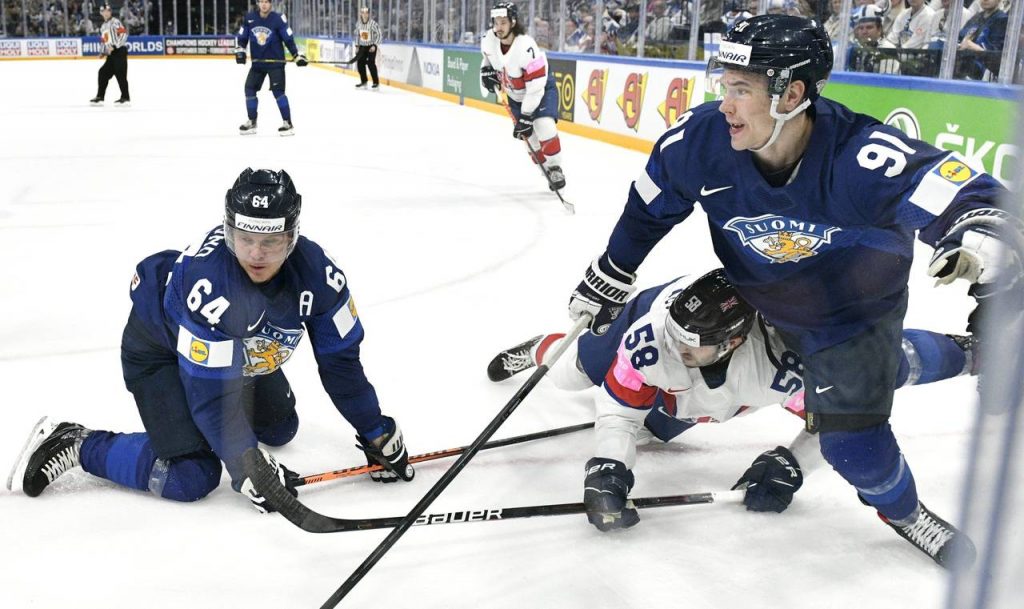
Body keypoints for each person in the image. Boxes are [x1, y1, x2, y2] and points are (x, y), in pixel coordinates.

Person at [563, 14, 1019, 568]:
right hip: (750, 294)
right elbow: (650, 205)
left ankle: (905, 513)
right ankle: (969, 354)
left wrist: (983, 229)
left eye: (741, 89)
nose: (725, 105)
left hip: (846, 321)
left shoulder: (861, 157)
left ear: (792, 94)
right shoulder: (703, 139)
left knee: (854, 449)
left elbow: (968, 195)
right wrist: (613, 270)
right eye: (723, 85)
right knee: (603, 352)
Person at [9, 168, 415, 513]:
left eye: (270, 241)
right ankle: (77, 443)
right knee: (190, 476)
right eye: (245, 238)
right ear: (228, 230)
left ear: (292, 237)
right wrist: (246, 465)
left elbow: (341, 363)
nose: (256, 254)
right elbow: (211, 397)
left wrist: (375, 430)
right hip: (162, 353)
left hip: (237, 357)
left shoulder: (320, 276)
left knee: (280, 428)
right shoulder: (209, 287)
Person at [491, 269, 979, 532]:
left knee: (656, 431)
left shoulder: (782, 361)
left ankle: (976, 354)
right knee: (573, 373)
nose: (677, 350)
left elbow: (836, 420)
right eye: (676, 340)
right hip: (643, 313)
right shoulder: (652, 342)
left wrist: (792, 461)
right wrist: (607, 467)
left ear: (733, 341)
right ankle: (540, 348)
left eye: (691, 347)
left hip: (711, 394)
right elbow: (618, 409)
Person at [480, 2, 567, 191]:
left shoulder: (526, 47)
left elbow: (536, 88)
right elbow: (487, 58)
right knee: (530, 140)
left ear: (513, 22)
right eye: (496, 22)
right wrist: (486, 71)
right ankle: (545, 170)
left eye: (503, 22)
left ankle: (555, 168)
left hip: (540, 90)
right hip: (515, 95)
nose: (499, 27)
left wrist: (526, 115)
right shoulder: (488, 39)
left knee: (543, 125)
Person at [234, 0, 307, 136]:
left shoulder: (278, 19)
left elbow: (288, 39)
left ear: (271, 3)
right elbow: (242, 37)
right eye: (261, 1)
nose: (264, 4)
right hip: (258, 63)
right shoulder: (250, 18)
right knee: (249, 89)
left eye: (267, 1)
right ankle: (252, 122)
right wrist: (240, 50)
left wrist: (296, 55)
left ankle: (288, 123)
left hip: (276, 64)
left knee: (278, 92)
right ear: (258, 3)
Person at [956, 0, 1008, 80]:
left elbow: (996, 56)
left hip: (983, 73)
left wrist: (973, 47)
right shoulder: (977, 17)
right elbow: (960, 38)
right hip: (963, 66)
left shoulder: (1002, 20)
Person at [89, 4, 130, 106]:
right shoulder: (103, 26)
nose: (106, 13)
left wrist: (115, 46)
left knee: (120, 75)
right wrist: (103, 52)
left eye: (108, 11)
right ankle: (100, 97)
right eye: (104, 11)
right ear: (101, 13)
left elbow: (123, 34)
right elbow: (104, 41)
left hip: (119, 51)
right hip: (111, 54)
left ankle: (125, 98)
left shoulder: (115, 22)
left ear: (110, 12)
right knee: (103, 73)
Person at [353, 6, 382, 90]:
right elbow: (357, 35)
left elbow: (379, 34)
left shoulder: (373, 24)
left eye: (366, 13)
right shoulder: (358, 24)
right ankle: (364, 82)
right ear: (360, 14)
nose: (364, 14)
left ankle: (376, 83)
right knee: (360, 64)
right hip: (362, 46)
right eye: (363, 13)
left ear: (368, 14)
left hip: (371, 46)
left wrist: (375, 45)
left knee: (370, 63)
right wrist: (357, 46)